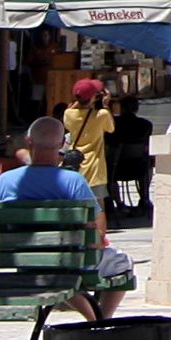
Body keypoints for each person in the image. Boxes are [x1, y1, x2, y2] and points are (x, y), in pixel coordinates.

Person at [0, 118, 136, 321]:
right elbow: (97, 233)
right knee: (123, 262)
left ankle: (95, 319)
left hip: (26, 264)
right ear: (60, 146)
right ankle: (102, 321)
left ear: (28, 141)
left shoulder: (6, 180)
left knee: (57, 271)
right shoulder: (73, 181)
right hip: (70, 263)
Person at [59, 79, 117, 234]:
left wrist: (80, 100)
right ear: (93, 97)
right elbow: (111, 128)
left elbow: (72, 110)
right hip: (95, 166)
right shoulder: (102, 114)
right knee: (99, 206)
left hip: (75, 166)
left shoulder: (68, 114)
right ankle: (100, 236)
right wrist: (104, 104)